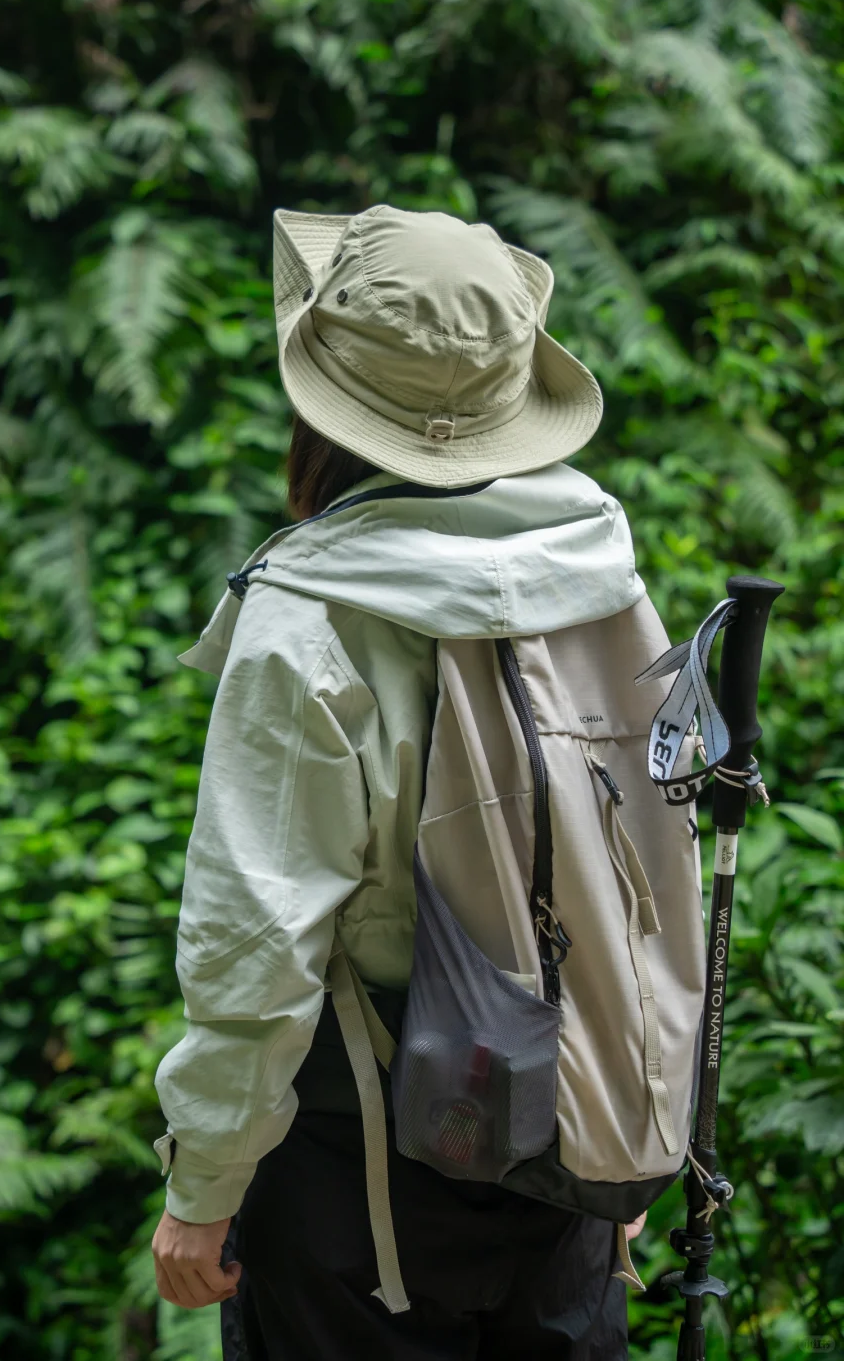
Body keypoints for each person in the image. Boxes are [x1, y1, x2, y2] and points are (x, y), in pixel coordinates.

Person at [151, 205, 648, 1359]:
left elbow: (258, 940)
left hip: (357, 1172)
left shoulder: (306, 616)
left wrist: (205, 1180)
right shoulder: (599, 563)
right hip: (568, 1131)